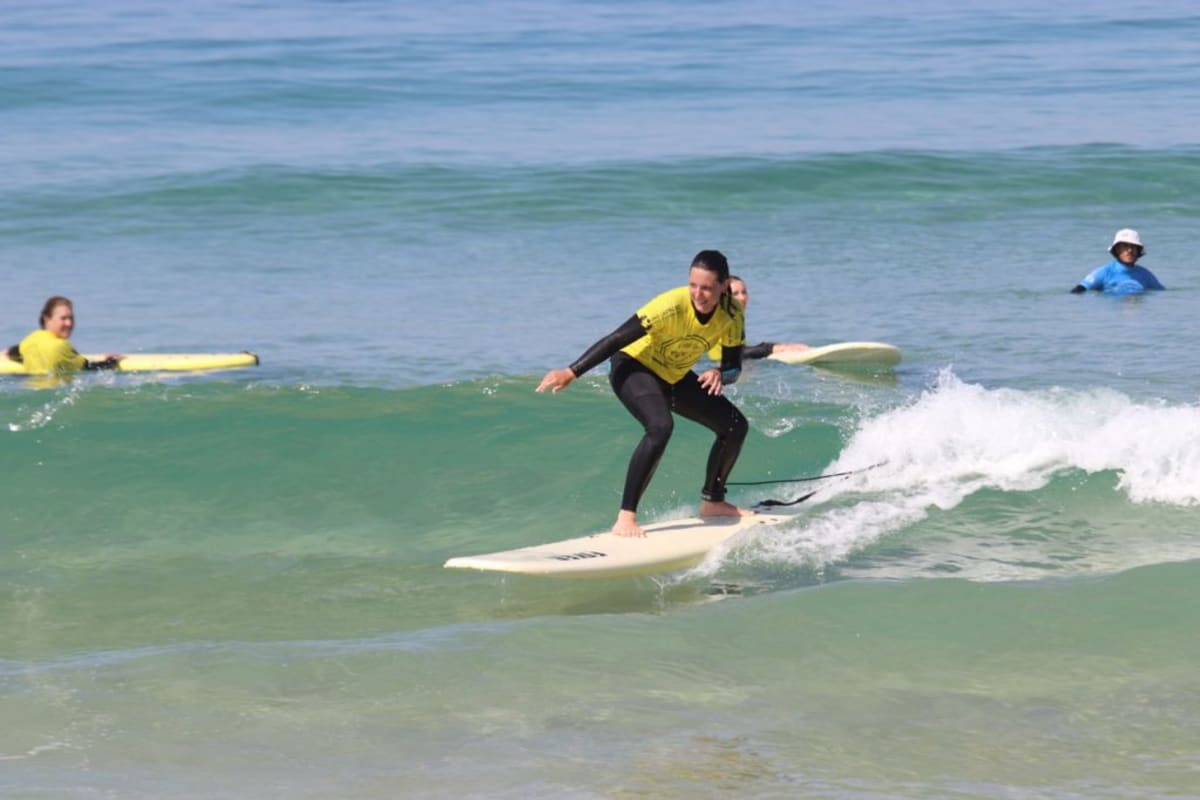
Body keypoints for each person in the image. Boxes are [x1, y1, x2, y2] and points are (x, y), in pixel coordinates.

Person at [537, 250, 753, 538]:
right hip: (633, 367)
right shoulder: (669, 306)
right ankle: (625, 518)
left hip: (673, 375)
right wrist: (572, 371)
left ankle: (713, 502)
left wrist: (719, 374)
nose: (698, 294)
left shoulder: (731, 314)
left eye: (706, 288)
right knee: (660, 426)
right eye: (693, 285)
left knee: (735, 426)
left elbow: (733, 367)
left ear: (724, 286)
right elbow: (615, 339)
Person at [6, 296, 120, 376]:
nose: (69, 323)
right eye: (63, 318)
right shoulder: (62, 346)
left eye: (71, 318)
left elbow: (12, 352)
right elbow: (91, 367)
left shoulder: (29, 340)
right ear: (47, 319)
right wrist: (112, 361)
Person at [710, 275, 809, 360]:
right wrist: (773, 348)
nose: (742, 297)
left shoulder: (736, 317)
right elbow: (733, 352)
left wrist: (779, 347)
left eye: (744, 292)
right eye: (735, 294)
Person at [1071, 229, 1165, 295]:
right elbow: (1078, 290)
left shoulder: (1145, 274)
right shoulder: (1104, 272)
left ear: (1138, 251)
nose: (1129, 250)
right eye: (1124, 246)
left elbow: (1162, 293)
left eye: (1133, 247)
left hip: (1138, 316)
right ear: (1116, 250)